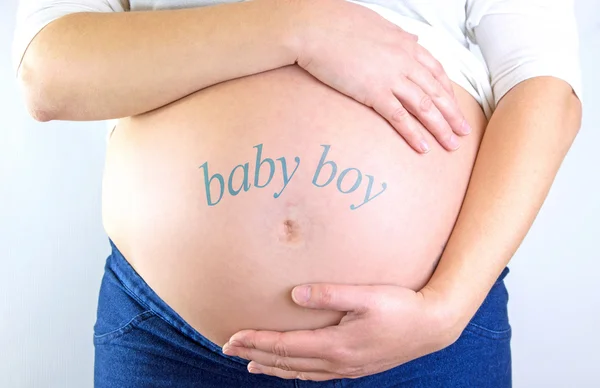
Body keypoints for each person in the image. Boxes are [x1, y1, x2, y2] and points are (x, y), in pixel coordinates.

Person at [12, 0, 582, 386]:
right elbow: (49, 70)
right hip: (172, 340)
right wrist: (300, 29)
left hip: (426, 338)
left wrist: (446, 310)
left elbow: (545, 86)